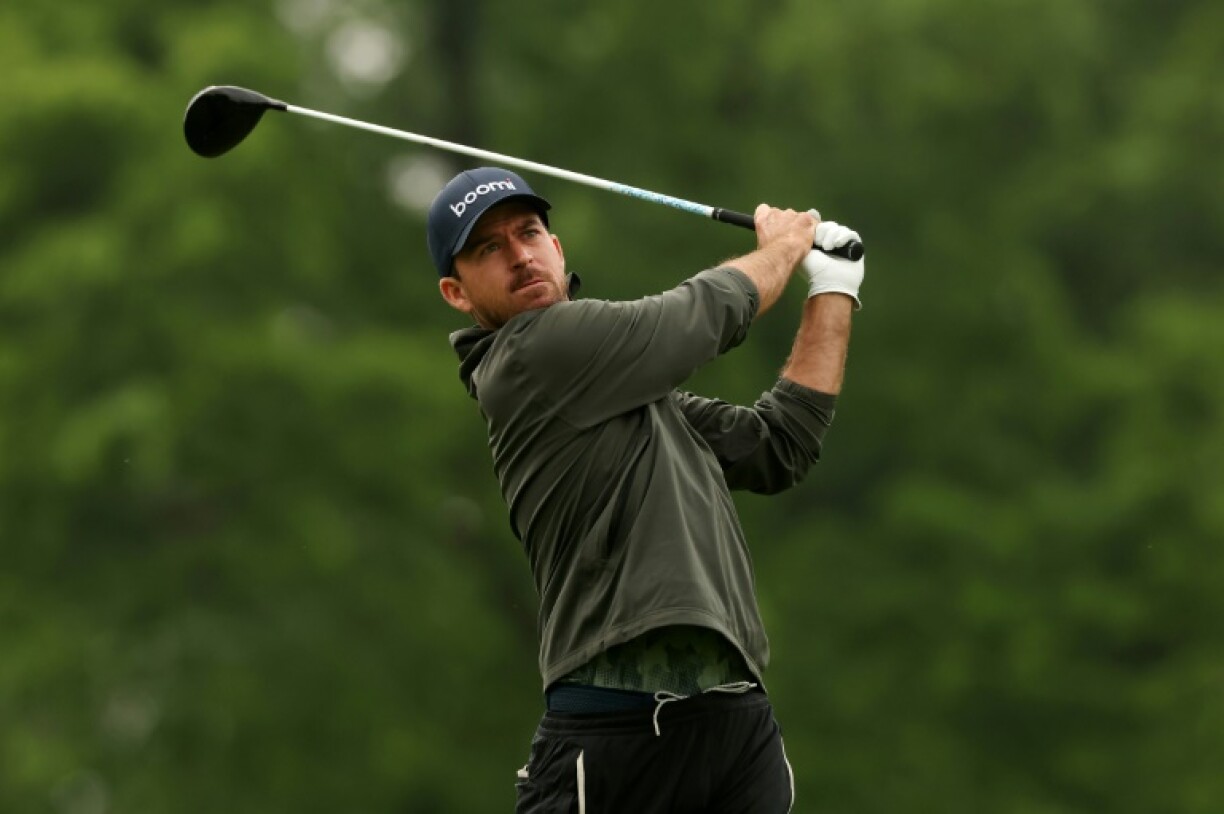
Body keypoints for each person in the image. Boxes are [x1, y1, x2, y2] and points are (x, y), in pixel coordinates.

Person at [428, 166, 864, 813]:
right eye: (488, 248)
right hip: (613, 740)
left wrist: (833, 288)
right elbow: (695, 319)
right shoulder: (526, 358)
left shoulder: (639, 399)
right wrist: (784, 246)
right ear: (456, 292)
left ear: (558, 248)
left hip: (734, 728)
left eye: (528, 233)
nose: (519, 256)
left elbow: (779, 445)